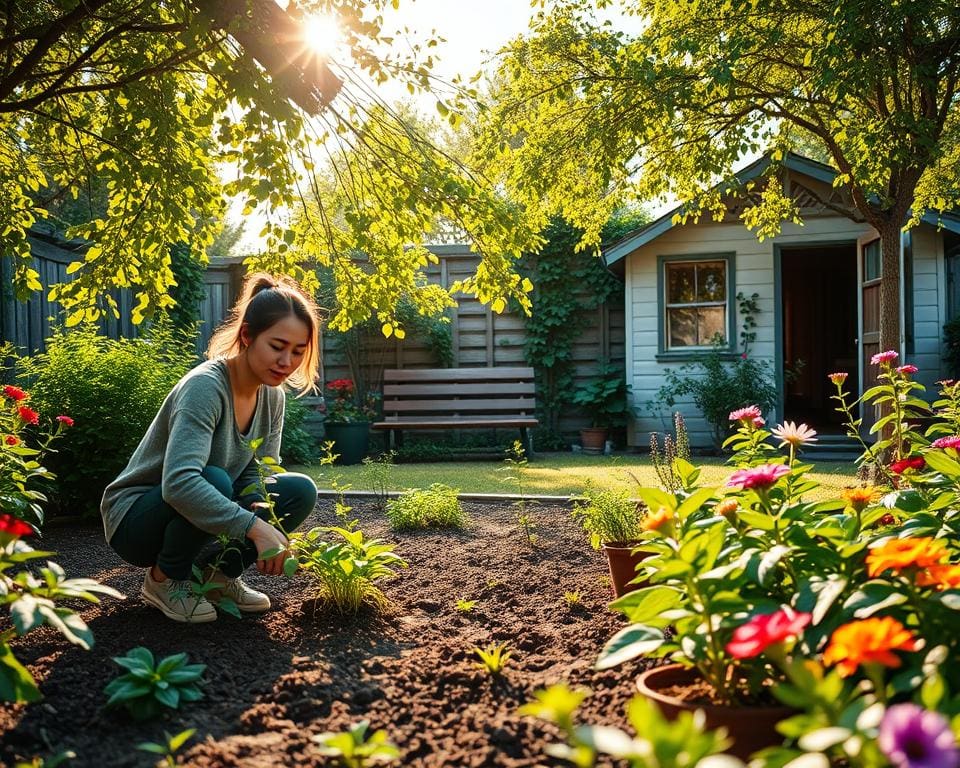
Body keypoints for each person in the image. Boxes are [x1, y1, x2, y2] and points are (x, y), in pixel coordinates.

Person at [101, 273, 320, 623]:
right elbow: (179, 483)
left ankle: (217, 580)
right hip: (137, 520)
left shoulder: (273, 397)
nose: (287, 362)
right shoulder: (205, 388)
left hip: (196, 508)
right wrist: (257, 528)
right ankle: (164, 579)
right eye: (277, 346)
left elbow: (257, 476)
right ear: (247, 335)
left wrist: (261, 522)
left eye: (298, 351)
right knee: (213, 478)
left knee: (296, 490)